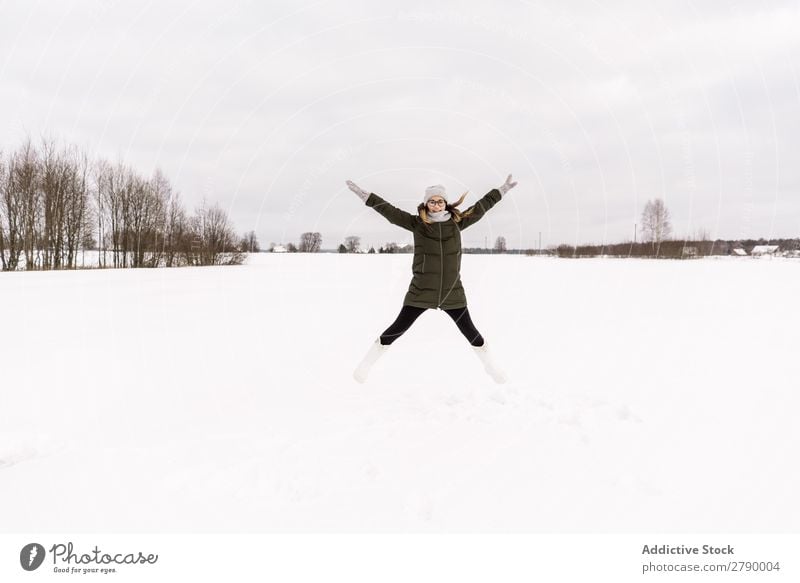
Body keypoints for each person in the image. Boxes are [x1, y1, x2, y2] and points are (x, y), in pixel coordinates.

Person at [345, 174, 518, 384]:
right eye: (432, 201)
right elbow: (389, 211)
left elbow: (481, 207)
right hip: (421, 290)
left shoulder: (457, 222)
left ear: (445, 203)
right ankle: (366, 365)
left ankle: (491, 366)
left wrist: (501, 190)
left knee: (471, 332)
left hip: (451, 291)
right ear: (426, 204)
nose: (436, 205)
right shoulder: (417, 224)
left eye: (440, 201)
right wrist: (366, 196)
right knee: (397, 328)